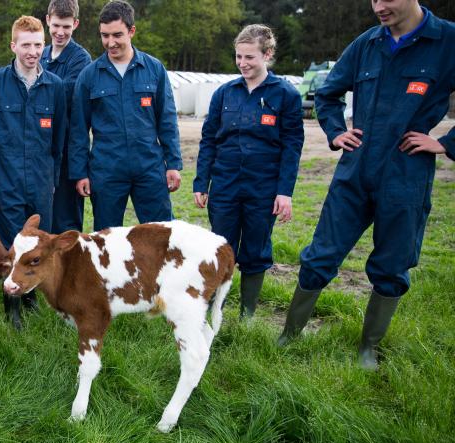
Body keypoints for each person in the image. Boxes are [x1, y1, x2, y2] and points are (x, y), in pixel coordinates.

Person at [277, 0, 455, 371]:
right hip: (354, 171)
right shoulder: (366, 43)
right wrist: (336, 131)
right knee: (321, 254)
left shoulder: (446, 41)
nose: (378, 6)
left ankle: (367, 349)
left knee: (392, 264)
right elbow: (327, 94)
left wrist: (445, 143)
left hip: (406, 174)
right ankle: (290, 334)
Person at [193, 25, 304, 319]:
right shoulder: (224, 94)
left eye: (250, 57)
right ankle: (215, 309)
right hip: (226, 185)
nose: (242, 63)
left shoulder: (286, 95)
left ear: (267, 55)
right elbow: (208, 140)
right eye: (238, 56)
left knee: (255, 251)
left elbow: (292, 146)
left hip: (263, 188)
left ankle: (248, 314)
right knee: (222, 248)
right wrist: (201, 181)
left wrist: (285, 192)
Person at [0, 15, 66, 328]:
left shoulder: (55, 88)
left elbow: (59, 142)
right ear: (13, 45)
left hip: (41, 181)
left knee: (37, 245)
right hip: (7, 180)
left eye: (38, 44)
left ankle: (30, 297)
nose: (33, 51)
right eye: (26, 44)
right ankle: (11, 306)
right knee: (10, 246)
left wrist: (52, 181)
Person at [68, 0, 182, 232]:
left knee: (160, 235)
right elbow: (79, 129)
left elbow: (167, 120)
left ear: (131, 31)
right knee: (107, 239)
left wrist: (173, 164)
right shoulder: (89, 76)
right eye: (104, 35)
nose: (110, 43)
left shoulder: (154, 69)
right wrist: (80, 173)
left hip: (149, 167)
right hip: (106, 170)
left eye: (117, 35)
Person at [41, 0, 91, 233]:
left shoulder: (80, 59)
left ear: (76, 24)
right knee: (41, 216)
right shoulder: (39, 54)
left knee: (65, 219)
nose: (60, 32)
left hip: (68, 152)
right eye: (57, 25)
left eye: (67, 27)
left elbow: (61, 95)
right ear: (48, 20)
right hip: (41, 149)